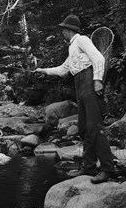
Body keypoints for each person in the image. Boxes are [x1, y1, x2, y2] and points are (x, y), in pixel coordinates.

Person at [35, 15, 116, 184]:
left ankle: (108, 169)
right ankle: (88, 167)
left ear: (69, 30)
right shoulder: (72, 48)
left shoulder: (82, 40)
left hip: (89, 83)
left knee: (94, 127)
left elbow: (99, 58)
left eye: (63, 29)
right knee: (84, 129)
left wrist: (97, 81)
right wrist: (43, 70)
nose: (62, 32)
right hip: (79, 85)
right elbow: (63, 69)